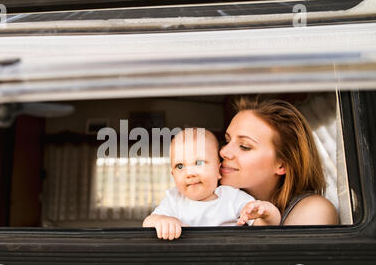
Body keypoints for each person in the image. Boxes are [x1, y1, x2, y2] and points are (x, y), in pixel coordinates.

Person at [220, 96, 339, 226]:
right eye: (227, 141)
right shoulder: (216, 201)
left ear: (282, 165)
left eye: (244, 146)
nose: (223, 152)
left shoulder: (314, 210)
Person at [142, 128, 256, 240]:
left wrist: (268, 213)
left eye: (199, 163)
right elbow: (148, 223)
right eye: (180, 166)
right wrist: (161, 220)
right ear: (173, 175)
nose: (190, 173)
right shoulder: (174, 199)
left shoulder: (233, 197)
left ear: (218, 170)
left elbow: (263, 223)